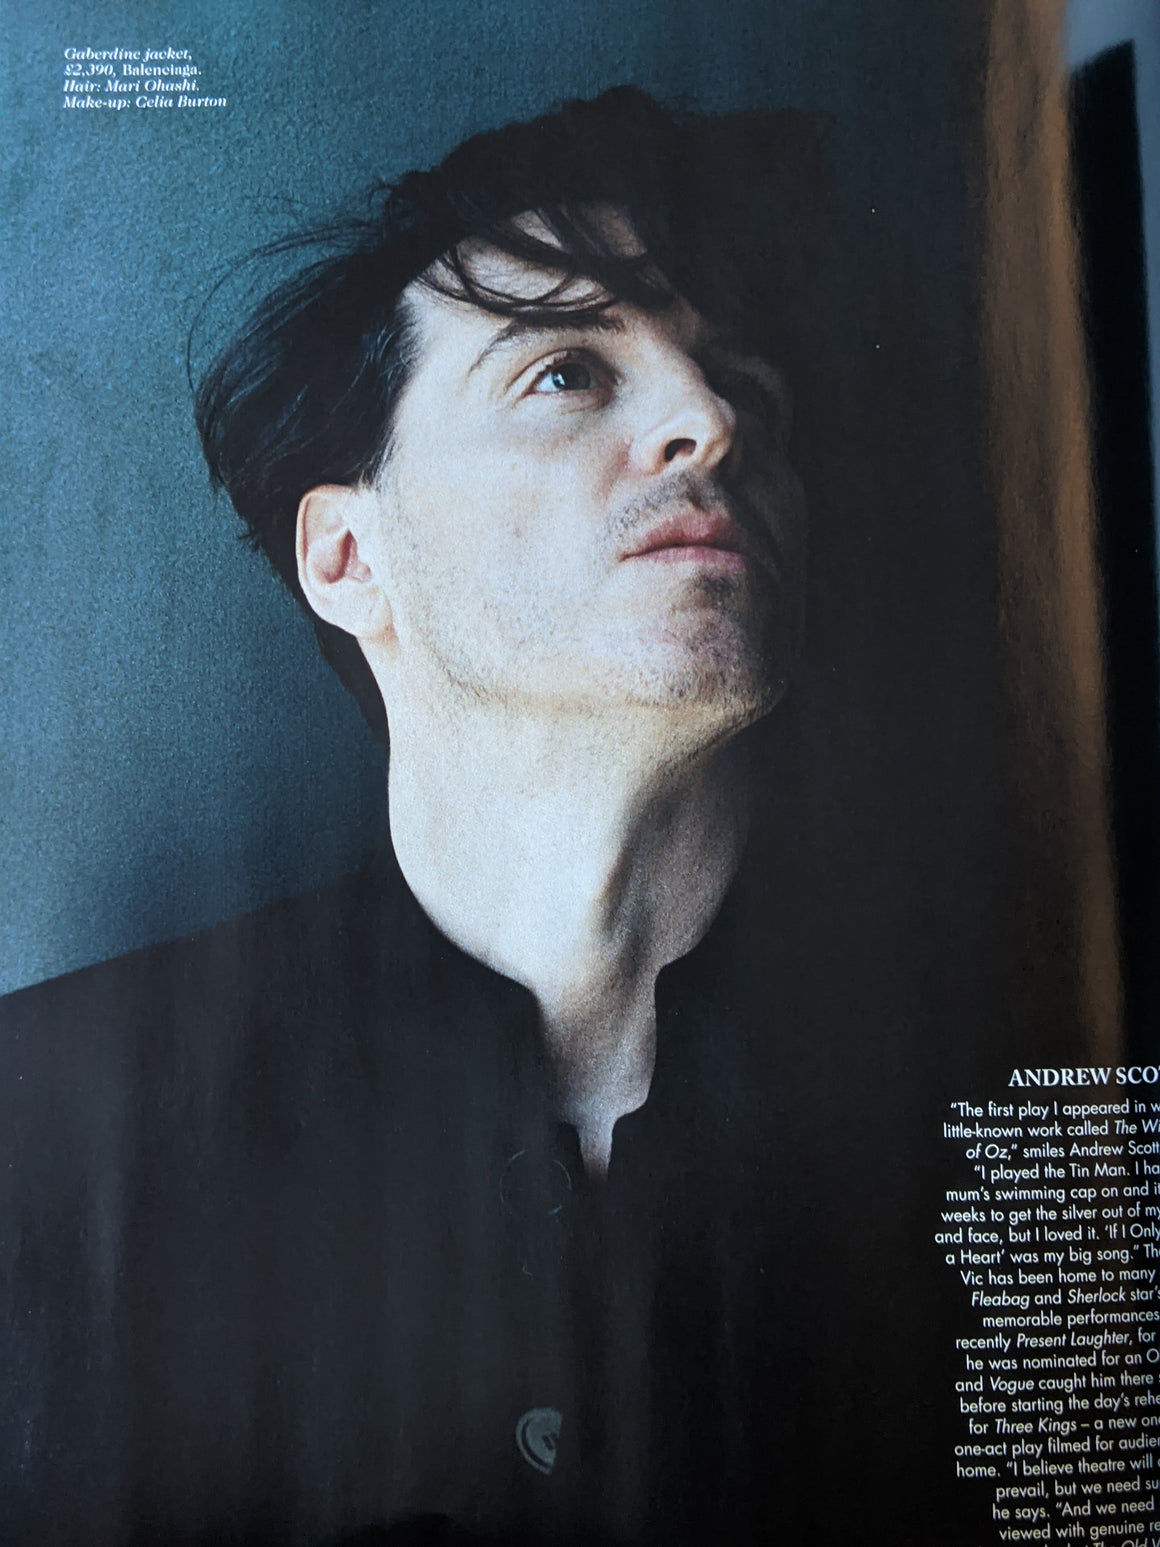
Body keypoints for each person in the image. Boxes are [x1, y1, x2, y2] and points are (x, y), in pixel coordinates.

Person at [0, 90, 959, 1546]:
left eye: (749, 396)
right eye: (566, 372)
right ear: (348, 554)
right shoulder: (43, 1135)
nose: (709, 425)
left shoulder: (1021, 1094)